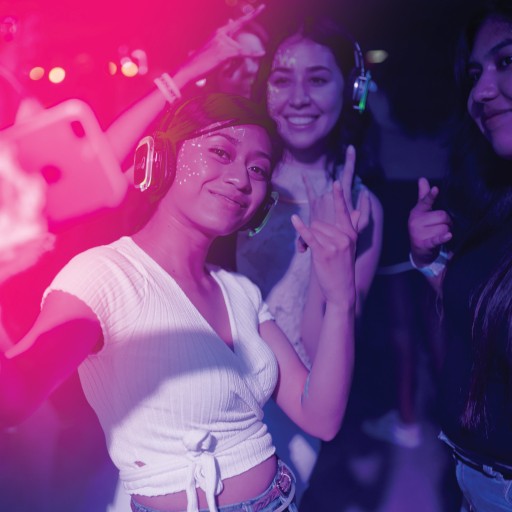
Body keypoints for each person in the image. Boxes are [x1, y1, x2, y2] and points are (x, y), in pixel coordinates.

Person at [0, 92, 364, 512]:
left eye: (258, 169)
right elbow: (14, 400)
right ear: (163, 159)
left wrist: (340, 296)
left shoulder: (239, 291)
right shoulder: (103, 274)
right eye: (220, 152)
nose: (241, 179)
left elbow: (321, 418)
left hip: (280, 500)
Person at [235, 14, 383, 501]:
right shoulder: (237, 181)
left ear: (352, 91)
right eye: (282, 80)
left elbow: (322, 356)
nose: (298, 98)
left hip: (292, 410)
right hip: (213, 385)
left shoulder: (360, 206)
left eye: (317, 80)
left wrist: (327, 266)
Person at [408, 1, 512, 509]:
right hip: (476, 478)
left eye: (506, 61)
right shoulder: (498, 197)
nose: (481, 91)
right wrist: (427, 258)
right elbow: (487, 308)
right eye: (474, 74)